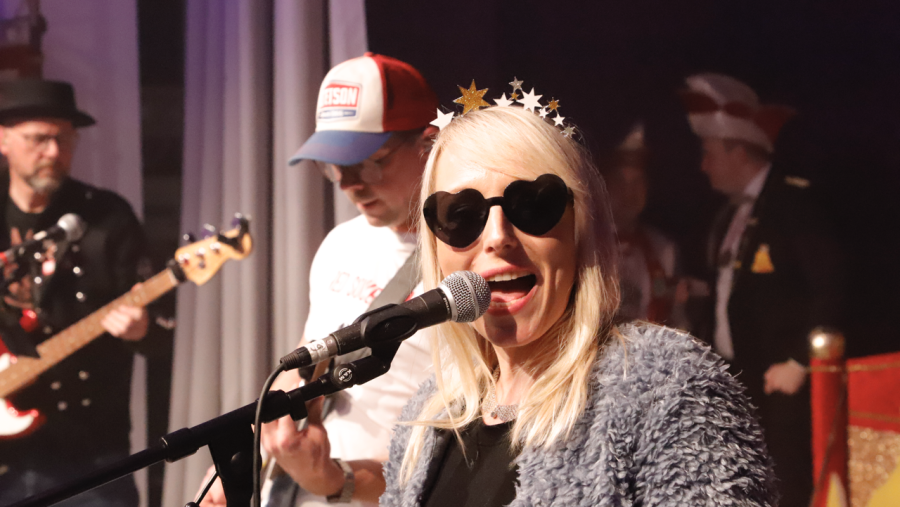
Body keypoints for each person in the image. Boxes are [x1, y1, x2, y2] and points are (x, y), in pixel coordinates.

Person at [279, 97, 777, 505]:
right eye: (461, 214)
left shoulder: (667, 390)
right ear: (436, 250)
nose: (497, 236)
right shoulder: (429, 418)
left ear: (581, 230)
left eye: (532, 205)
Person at [198, 53, 438, 507]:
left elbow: (458, 452)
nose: (348, 184)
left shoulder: (468, 267)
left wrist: (335, 480)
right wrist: (247, 462)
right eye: (333, 166)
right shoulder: (341, 242)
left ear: (429, 144)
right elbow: (306, 371)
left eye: (368, 162)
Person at [680, 73, 847, 505]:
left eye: (710, 153)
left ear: (738, 152)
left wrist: (802, 360)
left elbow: (829, 284)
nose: (703, 166)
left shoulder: (793, 203)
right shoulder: (728, 216)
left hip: (784, 381)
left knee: (787, 485)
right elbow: (741, 287)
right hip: (742, 377)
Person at [0, 79, 150, 506]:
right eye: (38, 139)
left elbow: (161, 323)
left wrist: (142, 329)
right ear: (3, 139)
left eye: (64, 140)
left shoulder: (107, 216)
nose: (53, 151)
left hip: (94, 454)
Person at [602, 124, 686, 327]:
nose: (629, 193)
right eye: (620, 182)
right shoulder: (583, 243)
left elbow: (677, 321)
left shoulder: (663, 250)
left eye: (637, 182)